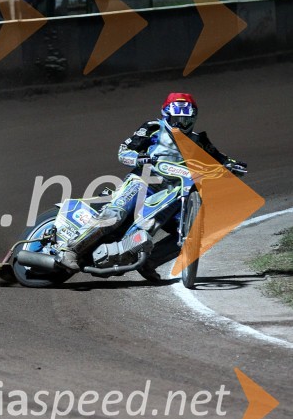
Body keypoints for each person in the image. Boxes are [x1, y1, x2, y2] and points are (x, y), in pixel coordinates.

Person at [55, 93, 246, 279]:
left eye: (186, 120)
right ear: (166, 115)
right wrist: (138, 158)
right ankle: (70, 250)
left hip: (172, 193)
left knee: (194, 231)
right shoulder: (153, 128)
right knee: (115, 215)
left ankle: (150, 262)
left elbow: (219, 158)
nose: (181, 124)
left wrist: (232, 165)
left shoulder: (199, 141)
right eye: (177, 119)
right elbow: (124, 150)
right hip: (143, 182)